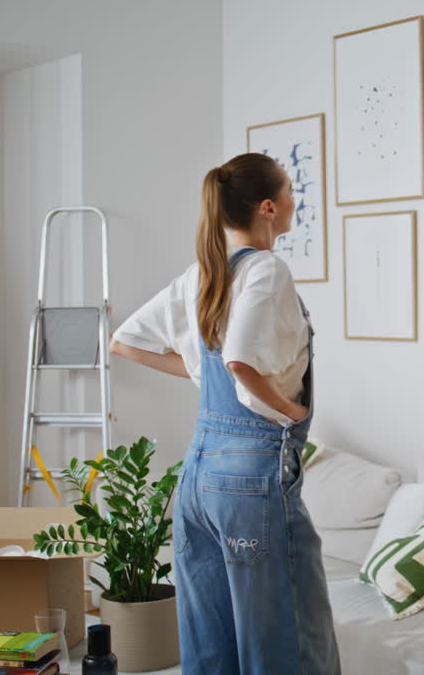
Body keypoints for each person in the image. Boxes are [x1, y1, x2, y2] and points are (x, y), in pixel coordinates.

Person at [110, 153, 340, 675]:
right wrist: (289, 409)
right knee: (286, 639)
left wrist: (196, 370)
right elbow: (238, 357)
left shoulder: (202, 273)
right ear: (267, 207)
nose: (292, 202)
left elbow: (123, 342)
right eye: (288, 192)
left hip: (200, 476)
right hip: (250, 480)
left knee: (211, 641)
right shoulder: (267, 269)